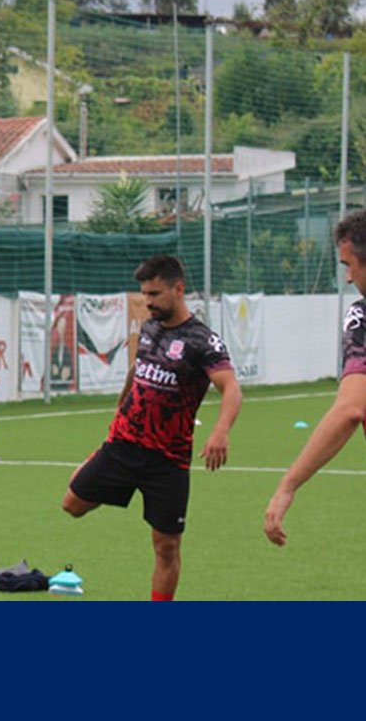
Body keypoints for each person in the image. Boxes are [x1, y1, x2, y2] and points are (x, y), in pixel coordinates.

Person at [61, 255, 242, 601]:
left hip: (168, 461)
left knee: (167, 547)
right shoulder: (149, 327)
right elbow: (137, 368)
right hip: (123, 445)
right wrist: (121, 408)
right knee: (71, 504)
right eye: (145, 294)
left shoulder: (203, 341)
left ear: (179, 289)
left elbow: (231, 388)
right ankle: (101, 459)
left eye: (155, 294)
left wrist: (221, 431)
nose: (148, 302)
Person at [265, 210, 366, 549]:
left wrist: (288, 485)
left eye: (347, 265)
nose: (348, 278)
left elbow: (351, 409)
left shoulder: (361, 318)